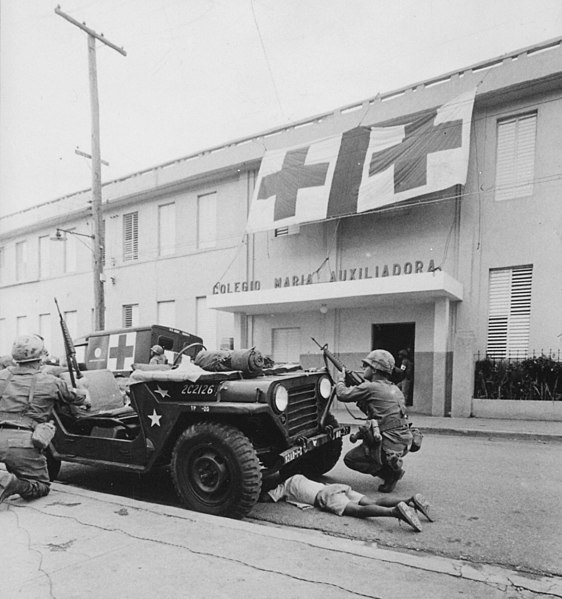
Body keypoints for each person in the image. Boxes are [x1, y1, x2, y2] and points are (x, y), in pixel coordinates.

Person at [0, 334, 90, 504]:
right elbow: (82, 400)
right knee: (40, 485)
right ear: (40, 359)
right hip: (22, 442)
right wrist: (83, 386)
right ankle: (13, 484)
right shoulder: (51, 382)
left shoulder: (2, 375)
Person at [336, 349, 413, 493]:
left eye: (367, 366)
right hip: (404, 442)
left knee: (350, 459)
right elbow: (380, 412)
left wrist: (341, 379)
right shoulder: (395, 388)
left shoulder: (370, 387)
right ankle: (390, 464)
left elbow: (342, 394)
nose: (364, 369)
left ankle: (390, 473)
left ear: (375, 370)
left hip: (388, 444)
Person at [261, 474, 433, 532]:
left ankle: (395, 512)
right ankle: (409, 501)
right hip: (336, 487)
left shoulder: (284, 486)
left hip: (326, 495)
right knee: (372, 501)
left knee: (358, 511)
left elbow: (267, 498)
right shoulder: (298, 477)